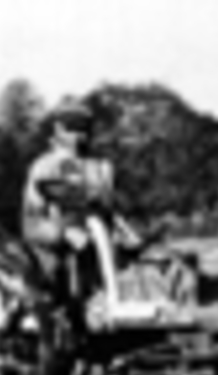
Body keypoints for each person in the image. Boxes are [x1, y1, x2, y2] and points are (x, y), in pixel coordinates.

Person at [22, 102, 150, 323]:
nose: (79, 134)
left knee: (143, 264)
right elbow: (32, 220)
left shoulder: (101, 167)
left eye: (84, 127)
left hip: (98, 244)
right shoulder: (45, 166)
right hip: (54, 245)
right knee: (57, 272)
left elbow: (108, 210)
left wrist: (126, 233)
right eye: (72, 127)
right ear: (58, 130)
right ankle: (53, 318)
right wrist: (63, 233)